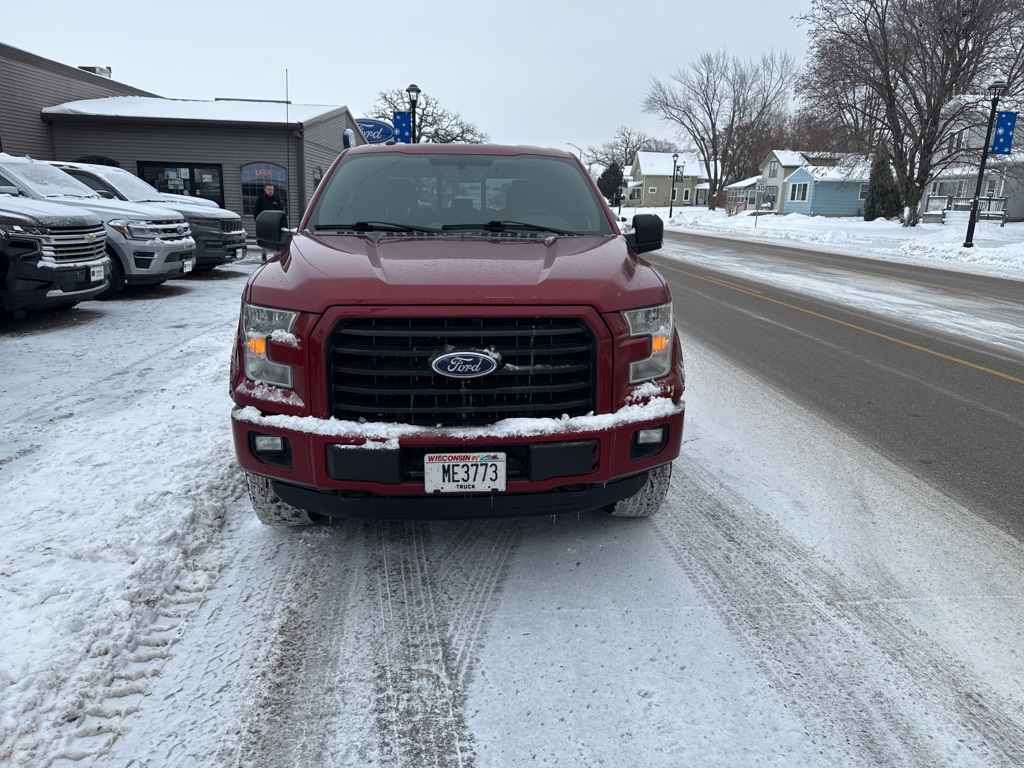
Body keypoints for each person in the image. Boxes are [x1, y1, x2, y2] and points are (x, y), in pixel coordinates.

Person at [253, 183, 285, 261]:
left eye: (272, 190)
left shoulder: (276, 200)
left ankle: (276, 257)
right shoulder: (260, 199)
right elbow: (256, 211)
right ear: (265, 190)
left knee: (276, 241)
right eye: (269, 190)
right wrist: (257, 221)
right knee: (265, 241)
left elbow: (281, 211)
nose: (271, 191)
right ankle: (264, 254)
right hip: (264, 224)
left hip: (275, 225)